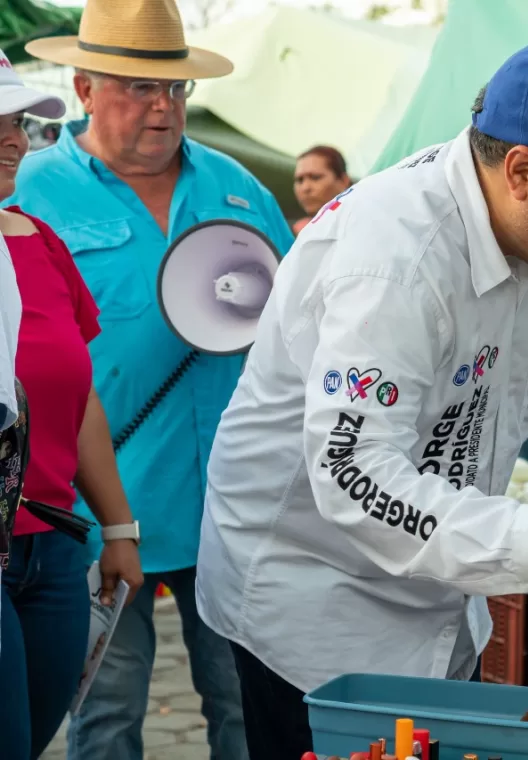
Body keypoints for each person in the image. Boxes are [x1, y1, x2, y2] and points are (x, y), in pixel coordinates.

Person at [195, 34, 528, 760]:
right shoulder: (395, 260)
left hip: (431, 586)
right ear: (521, 170)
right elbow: (353, 473)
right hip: (314, 600)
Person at [17, 0, 295, 757]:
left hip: (232, 506)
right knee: (106, 716)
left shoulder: (235, 186)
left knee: (244, 707)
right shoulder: (31, 191)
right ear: (84, 89)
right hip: (96, 506)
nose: (163, 106)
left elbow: (300, 320)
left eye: (174, 88)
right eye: (139, 87)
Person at [0, 51, 147, 760]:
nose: (13, 139)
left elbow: (78, 395)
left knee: (30, 740)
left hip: (54, 547)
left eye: (17, 122)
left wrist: (119, 528)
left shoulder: (39, 241)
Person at [292, 144, 351, 235]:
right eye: (300, 180)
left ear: (343, 181)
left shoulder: (364, 220)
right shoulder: (296, 232)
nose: (305, 188)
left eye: (315, 177)